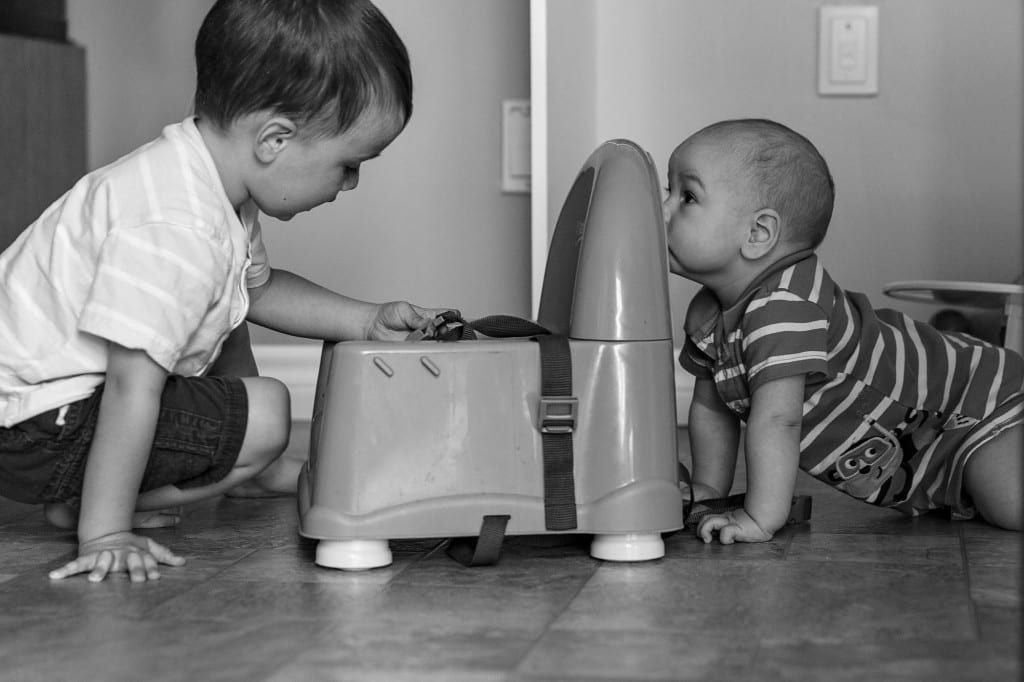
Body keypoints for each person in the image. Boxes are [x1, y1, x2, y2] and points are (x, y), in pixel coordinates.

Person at [0, 0, 450, 582]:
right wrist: (107, 531)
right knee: (268, 414)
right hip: (33, 427)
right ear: (274, 140)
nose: (352, 183)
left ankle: (230, 472)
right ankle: (94, 505)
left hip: (44, 412)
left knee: (224, 309)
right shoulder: (175, 223)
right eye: (348, 164)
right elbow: (130, 387)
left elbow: (252, 294)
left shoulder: (208, 185)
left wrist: (366, 320)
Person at [664, 118, 1023, 544]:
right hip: (925, 441)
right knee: (983, 498)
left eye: (686, 196)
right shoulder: (708, 312)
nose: (663, 207)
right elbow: (713, 407)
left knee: (1010, 503)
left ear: (758, 233)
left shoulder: (783, 307)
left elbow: (779, 419)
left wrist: (761, 517)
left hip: (976, 403)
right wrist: (709, 491)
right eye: (668, 190)